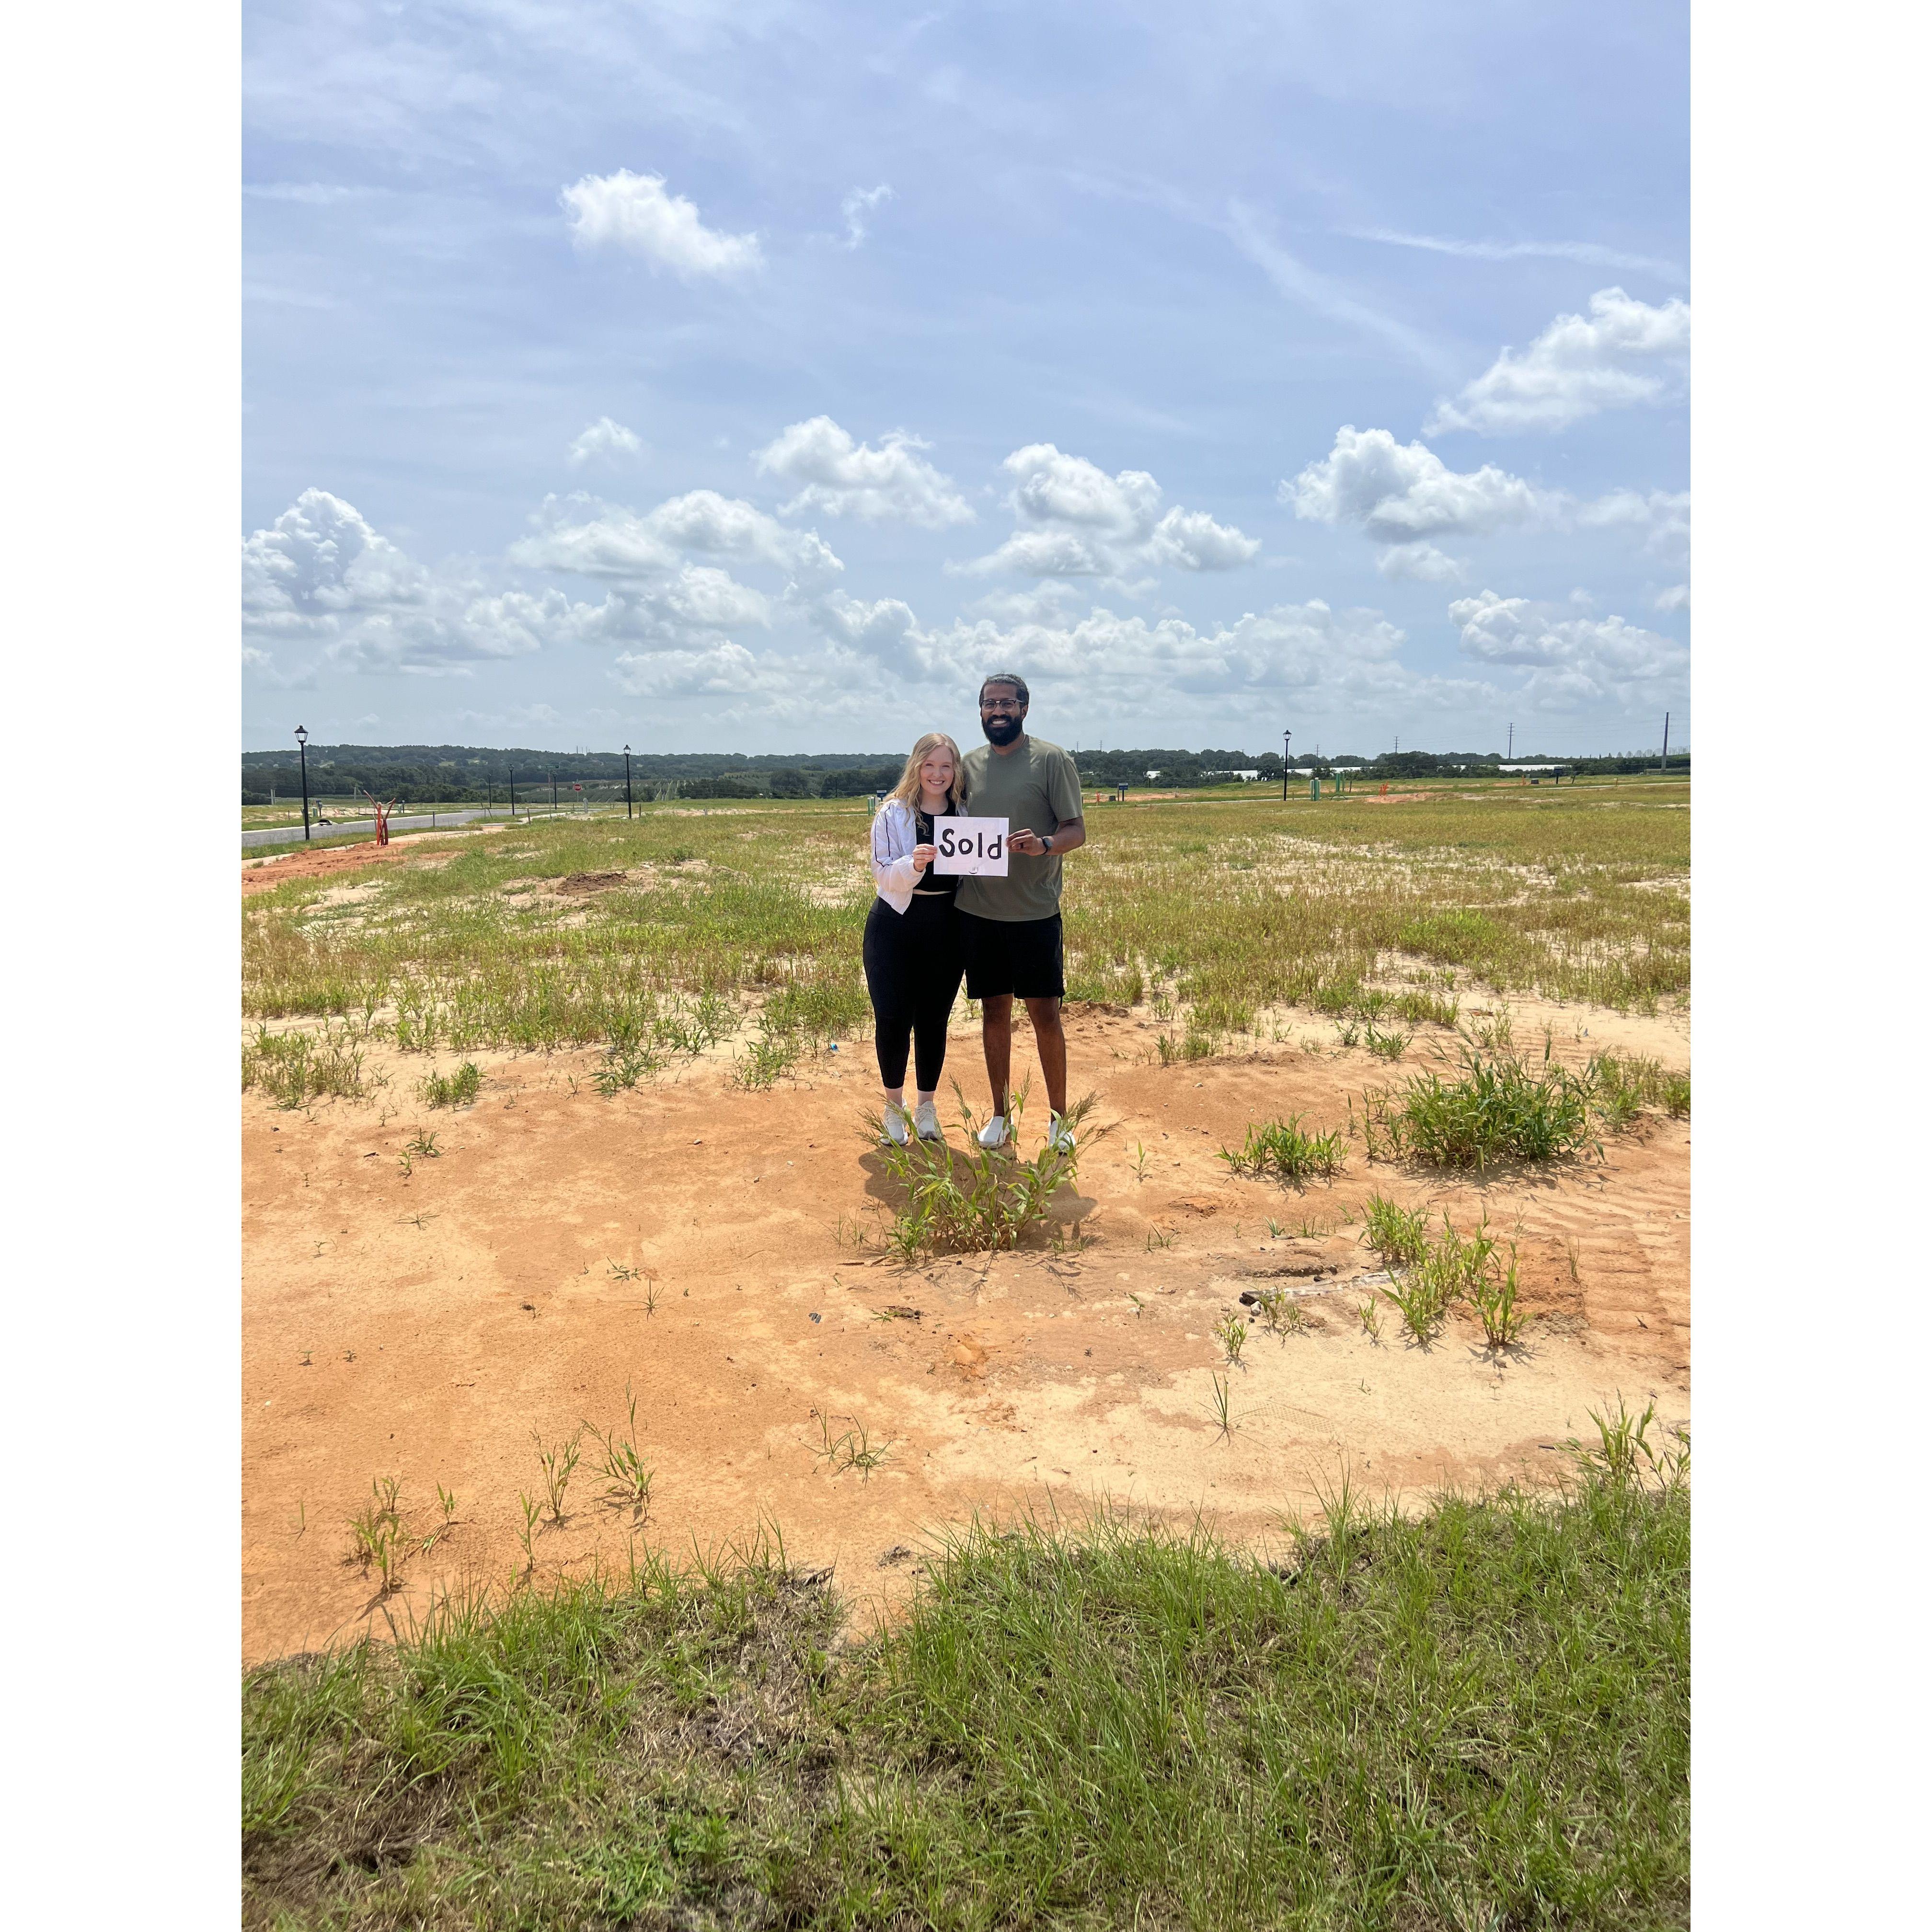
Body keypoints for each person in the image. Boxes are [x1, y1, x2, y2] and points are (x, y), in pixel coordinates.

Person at [955, 673, 1087, 1152]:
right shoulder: (967, 765)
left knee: (1045, 1015)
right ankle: (998, 1116)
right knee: (993, 1012)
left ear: (1025, 709)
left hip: (1034, 912)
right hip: (979, 912)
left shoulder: (1052, 761)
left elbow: (1076, 830)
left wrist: (1045, 845)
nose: (997, 711)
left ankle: (1058, 1121)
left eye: (1007, 703)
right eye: (989, 704)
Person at [864, 732, 969, 1145]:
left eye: (946, 766)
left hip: (946, 928)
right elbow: (884, 875)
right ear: (916, 767)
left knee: (933, 1020)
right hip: (894, 925)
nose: (937, 774)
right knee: (891, 1017)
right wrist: (914, 863)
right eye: (929, 765)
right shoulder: (892, 814)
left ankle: (926, 1106)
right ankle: (894, 1108)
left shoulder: (965, 816)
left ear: (956, 771)